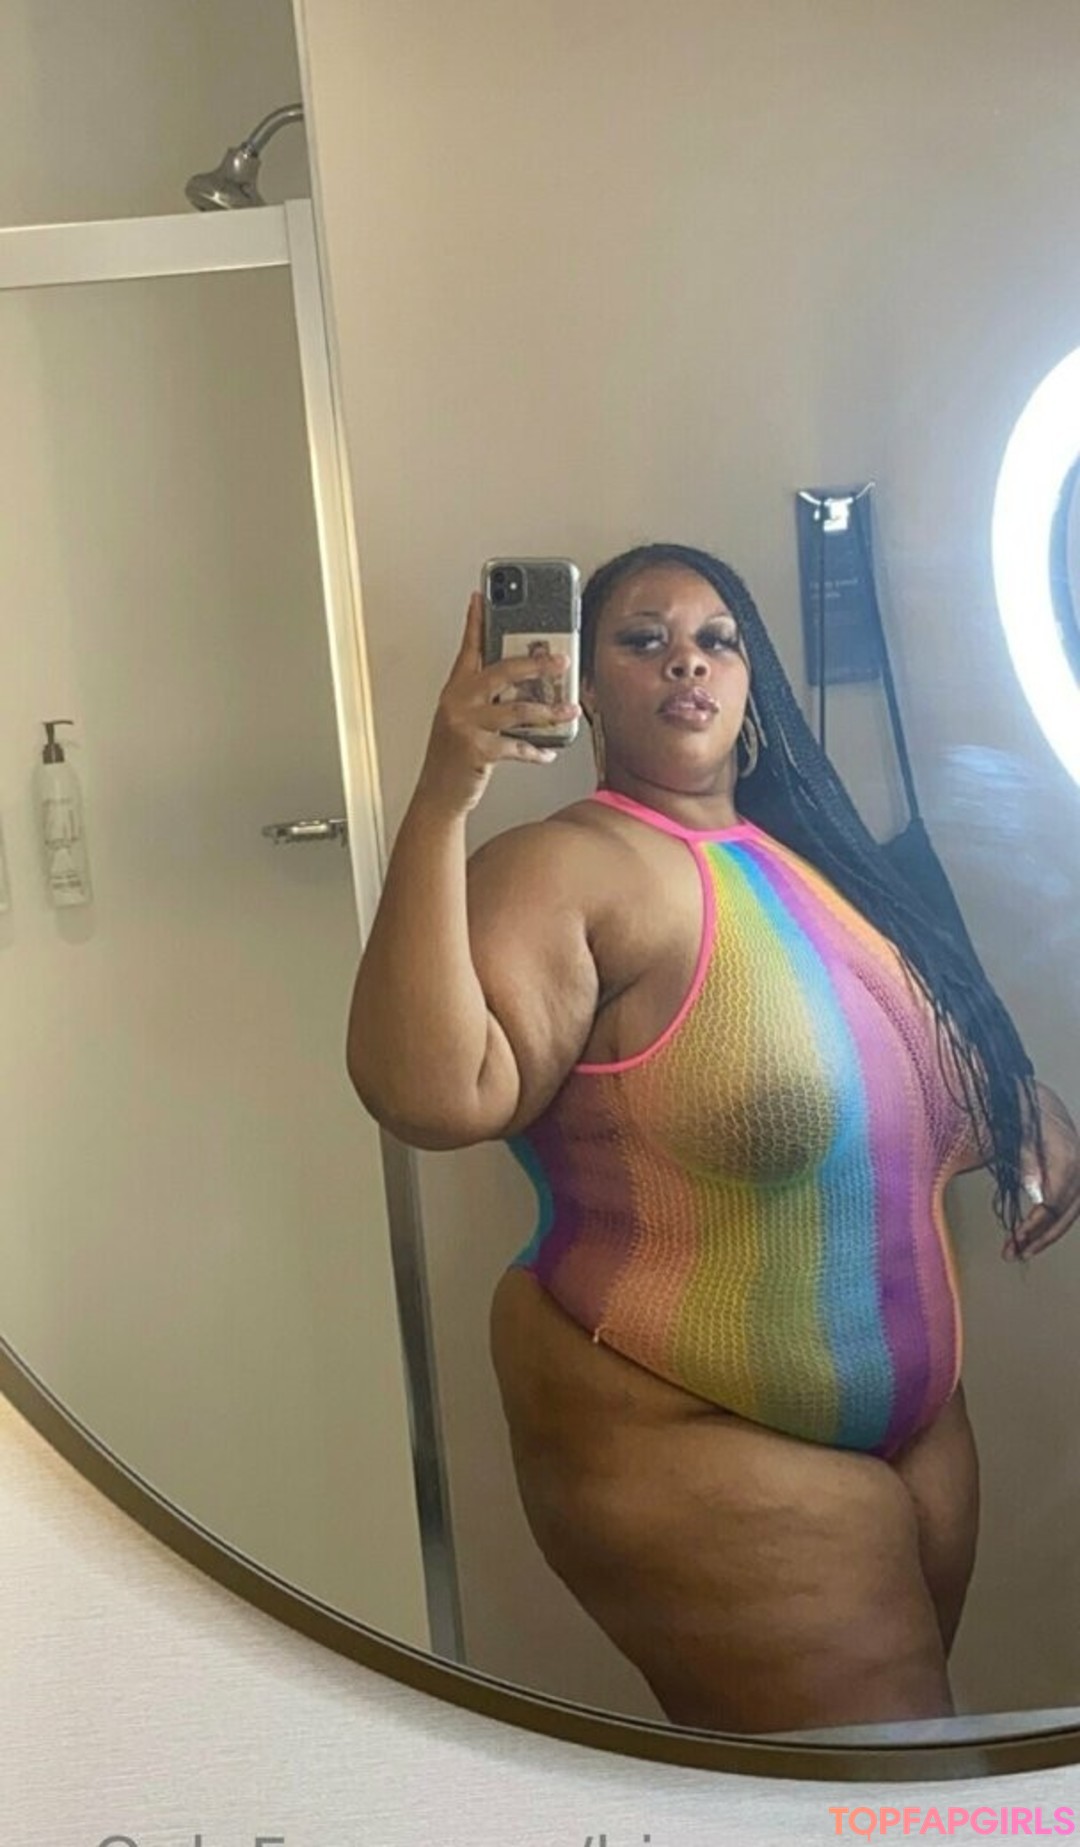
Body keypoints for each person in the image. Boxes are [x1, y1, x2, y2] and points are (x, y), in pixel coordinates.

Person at [346, 541, 1080, 1735]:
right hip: (694, 1438)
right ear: (586, 686)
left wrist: (1017, 1098)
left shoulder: (819, 861)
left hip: (923, 1439)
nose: (686, 659)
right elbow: (434, 1094)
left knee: (891, 1786)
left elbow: (896, 1065)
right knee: (876, 1798)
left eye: (717, 639)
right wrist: (445, 787)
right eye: (643, 639)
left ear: (751, 680)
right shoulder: (565, 867)